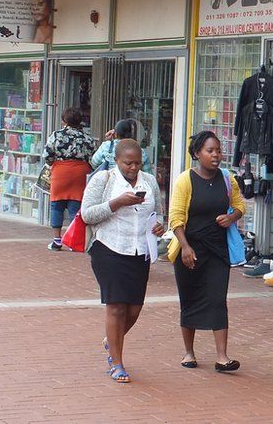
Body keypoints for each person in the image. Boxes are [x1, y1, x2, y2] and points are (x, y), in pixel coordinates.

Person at [81, 138, 165, 384]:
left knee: (134, 308)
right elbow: (87, 214)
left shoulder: (148, 181)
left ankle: (112, 339)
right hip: (109, 247)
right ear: (116, 160)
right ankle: (117, 363)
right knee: (116, 306)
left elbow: (158, 211)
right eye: (128, 163)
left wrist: (159, 225)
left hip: (140, 250)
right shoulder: (103, 180)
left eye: (138, 163)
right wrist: (117, 203)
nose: (133, 168)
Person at [169, 131, 245, 372]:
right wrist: (185, 247)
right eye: (210, 151)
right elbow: (176, 218)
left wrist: (232, 216)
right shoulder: (185, 180)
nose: (216, 155)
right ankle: (189, 352)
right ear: (196, 154)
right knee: (189, 298)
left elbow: (240, 205)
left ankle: (222, 357)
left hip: (217, 249)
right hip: (189, 248)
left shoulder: (227, 179)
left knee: (217, 299)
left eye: (218, 150)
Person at [44, 107, 96, 251]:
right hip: (80, 172)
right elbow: (93, 157)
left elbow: (47, 155)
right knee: (76, 207)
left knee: (57, 206)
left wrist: (52, 163)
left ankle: (56, 241)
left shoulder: (56, 135)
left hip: (60, 172)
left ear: (64, 121)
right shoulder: (87, 138)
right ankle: (75, 241)